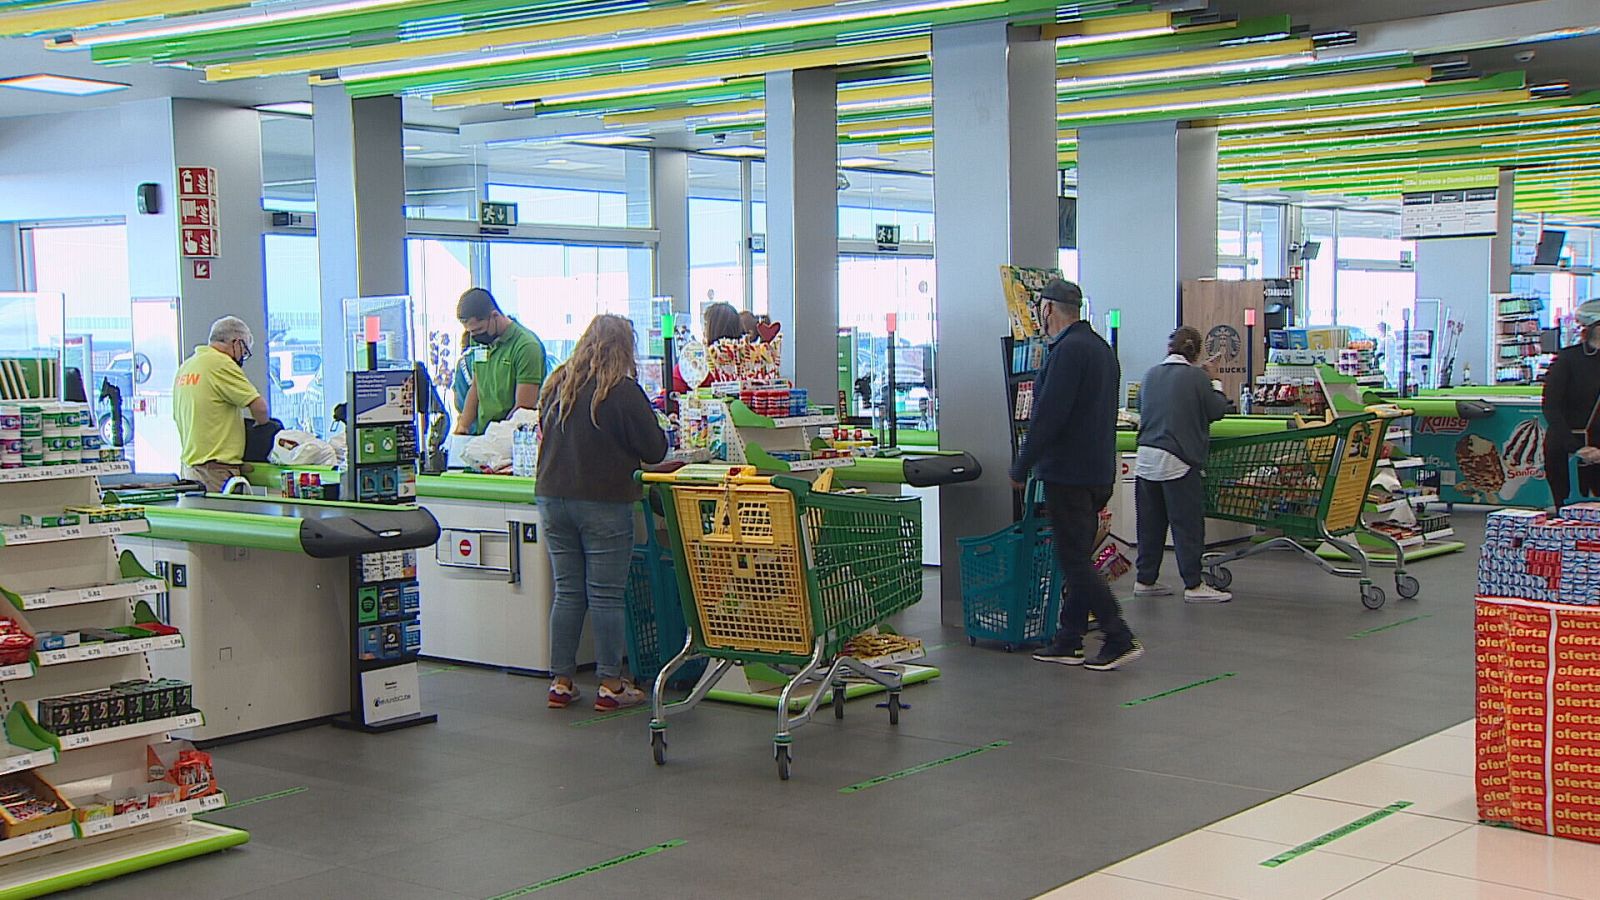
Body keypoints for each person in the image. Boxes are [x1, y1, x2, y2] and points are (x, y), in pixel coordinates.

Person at [536, 315, 673, 711]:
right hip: (604, 501)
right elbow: (655, 450)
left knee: (568, 591)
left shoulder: (558, 383)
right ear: (625, 348)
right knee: (607, 595)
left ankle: (561, 682)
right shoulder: (622, 391)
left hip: (552, 498)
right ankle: (610, 684)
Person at [1011, 279, 1140, 671]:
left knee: (1074, 562)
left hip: (1069, 472)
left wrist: (1022, 464)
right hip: (1099, 470)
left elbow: (1050, 415)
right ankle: (1069, 638)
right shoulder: (1102, 350)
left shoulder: (1067, 352)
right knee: (1080, 557)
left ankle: (1118, 635)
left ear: (1049, 310)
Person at [1132, 326, 1233, 603]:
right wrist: (1214, 381)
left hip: (1146, 459)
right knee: (1186, 524)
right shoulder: (1196, 378)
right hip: (1178, 459)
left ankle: (1145, 578)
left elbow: (1141, 407)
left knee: (1150, 525)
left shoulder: (1150, 375)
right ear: (1197, 352)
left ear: (1168, 348)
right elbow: (1217, 411)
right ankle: (1193, 583)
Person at [173, 316, 270, 492]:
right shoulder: (220, 362)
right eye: (245, 350)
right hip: (215, 472)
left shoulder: (187, 366)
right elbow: (260, 408)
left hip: (190, 469)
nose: (242, 357)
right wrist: (264, 429)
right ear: (237, 343)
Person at [453, 288, 547, 436]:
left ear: (494, 316)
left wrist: (495, 438)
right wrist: (462, 427)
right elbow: (477, 387)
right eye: (471, 332)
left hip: (513, 439)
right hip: (484, 436)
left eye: (479, 329)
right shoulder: (480, 342)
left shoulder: (526, 347)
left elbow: (523, 410)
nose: (474, 336)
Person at [1543, 299, 1600, 510]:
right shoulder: (1568, 359)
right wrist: (1577, 448)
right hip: (1566, 447)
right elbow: (1551, 406)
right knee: (1567, 514)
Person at [672, 302, 744, 394]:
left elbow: (670, 396)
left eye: (705, 325)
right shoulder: (748, 363)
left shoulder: (693, 361)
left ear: (709, 329)